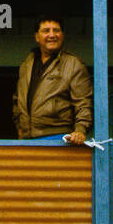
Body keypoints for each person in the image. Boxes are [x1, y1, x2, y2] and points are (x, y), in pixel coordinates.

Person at [12, 15, 93, 145]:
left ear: (63, 35)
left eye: (56, 30)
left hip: (58, 137)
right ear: (37, 37)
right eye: (46, 31)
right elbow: (17, 100)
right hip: (27, 139)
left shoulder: (73, 64)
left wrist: (80, 130)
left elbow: (84, 102)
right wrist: (20, 129)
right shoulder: (27, 65)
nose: (52, 35)